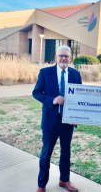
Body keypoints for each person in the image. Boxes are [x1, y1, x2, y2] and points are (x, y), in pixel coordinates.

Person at [33, 45, 82, 192]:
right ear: (56, 57)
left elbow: (79, 97)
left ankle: (64, 180)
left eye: (66, 56)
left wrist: (76, 116)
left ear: (70, 58)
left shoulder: (75, 74)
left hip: (68, 121)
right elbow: (36, 92)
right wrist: (51, 100)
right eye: (61, 56)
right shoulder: (45, 72)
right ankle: (41, 184)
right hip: (51, 120)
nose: (63, 58)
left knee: (66, 152)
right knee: (46, 154)